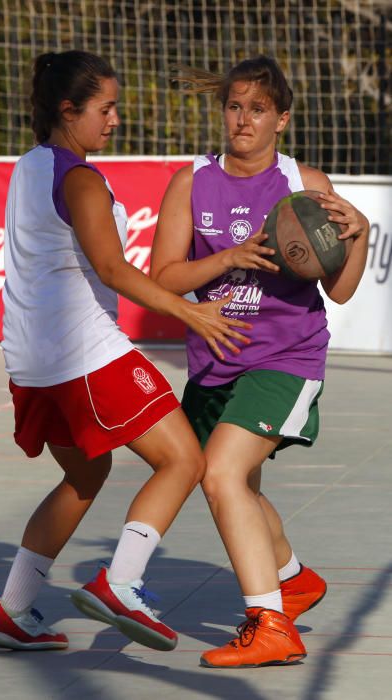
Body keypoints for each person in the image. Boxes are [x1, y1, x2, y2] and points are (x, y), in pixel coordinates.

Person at [0, 50, 251, 653]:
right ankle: (120, 583)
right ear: (67, 110)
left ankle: (12, 608)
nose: (116, 119)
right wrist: (192, 312)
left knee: (85, 473)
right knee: (184, 460)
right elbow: (111, 267)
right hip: (84, 354)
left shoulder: (29, 167)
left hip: (30, 360)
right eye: (106, 108)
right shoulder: (79, 177)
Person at [150, 55, 369, 668]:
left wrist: (364, 234)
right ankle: (293, 579)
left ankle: (270, 622)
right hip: (216, 360)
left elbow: (343, 290)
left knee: (220, 475)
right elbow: (162, 279)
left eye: (258, 109)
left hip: (286, 357)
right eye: (234, 106)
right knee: (234, 484)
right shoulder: (191, 182)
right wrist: (227, 260)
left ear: (281, 120)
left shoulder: (306, 184)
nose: (243, 119)